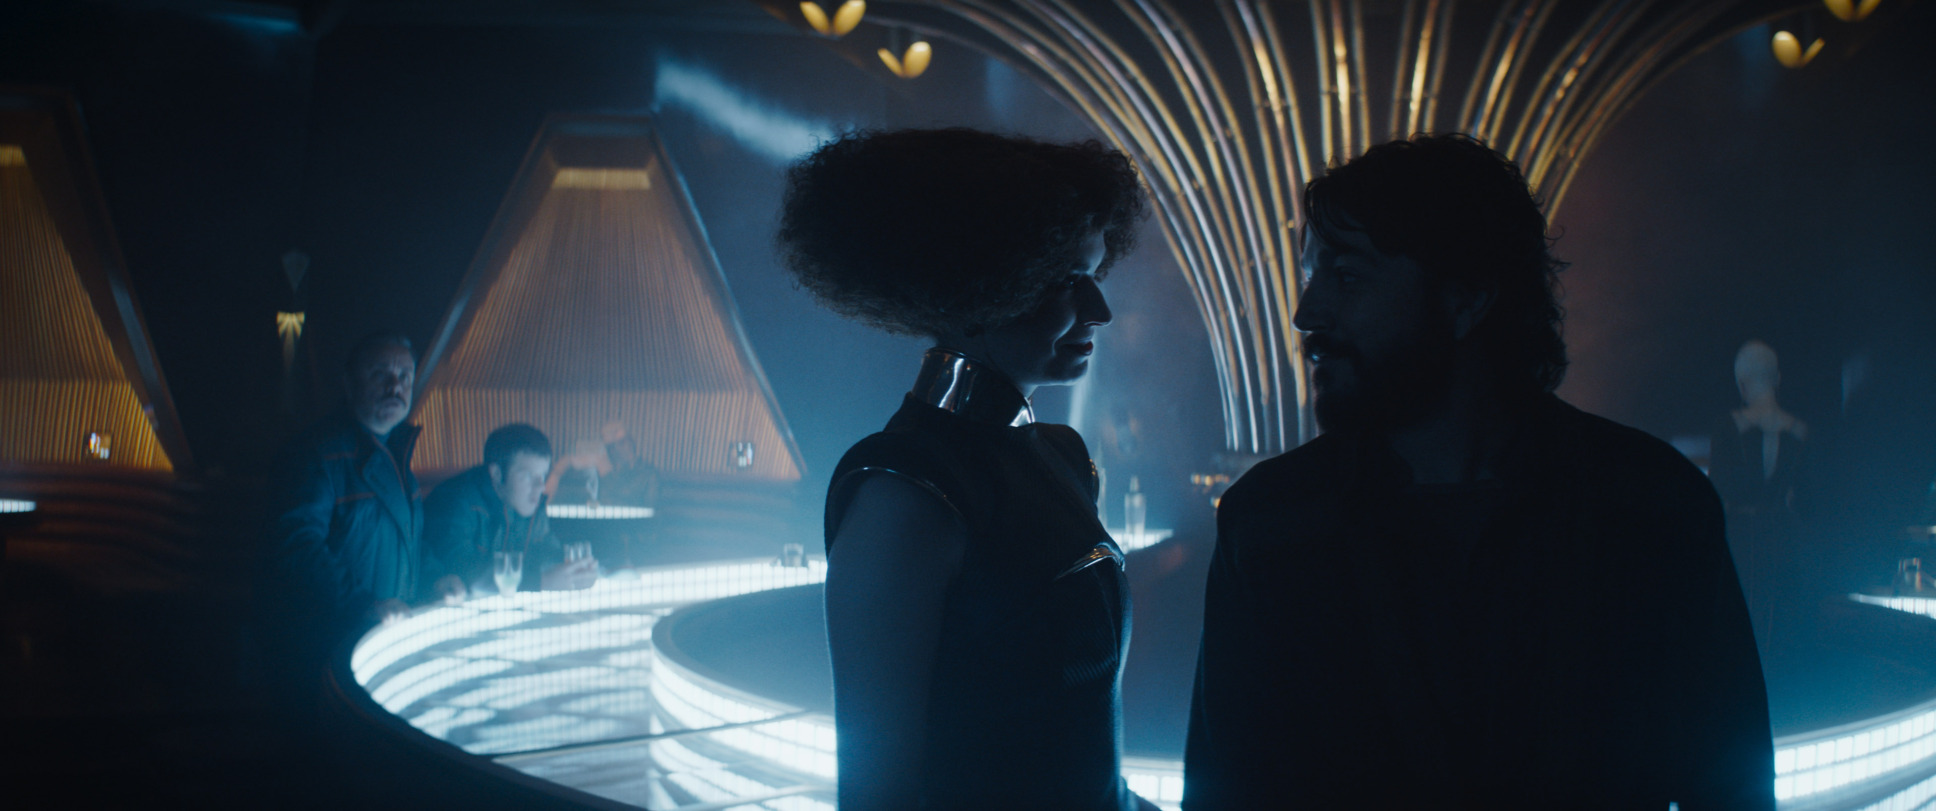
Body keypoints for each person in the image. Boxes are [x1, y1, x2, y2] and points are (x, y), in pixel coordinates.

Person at [1184, 134, 1774, 808]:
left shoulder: (1651, 510)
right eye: (1311, 276)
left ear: (1466, 299)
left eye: (1346, 276)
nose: (1305, 313)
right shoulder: (1267, 525)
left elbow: (1730, 787)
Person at [776, 128, 1154, 810]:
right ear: (979, 287)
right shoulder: (904, 492)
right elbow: (877, 792)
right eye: (1067, 281)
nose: (1099, 311)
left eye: (1095, 278)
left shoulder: (1059, 457)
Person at [265, 332, 424, 688]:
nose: (395, 386)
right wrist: (364, 604)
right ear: (349, 383)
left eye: (405, 376)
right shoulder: (315, 454)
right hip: (324, 647)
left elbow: (407, 546)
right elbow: (297, 547)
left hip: (378, 638)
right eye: (380, 374)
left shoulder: (397, 454)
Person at [422, 423, 597, 601]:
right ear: (497, 474)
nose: (540, 486)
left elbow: (545, 550)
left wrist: (574, 571)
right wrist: (541, 582)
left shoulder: (528, 501)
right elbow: (463, 572)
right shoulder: (454, 501)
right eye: (527, 476)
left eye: (543, 476)